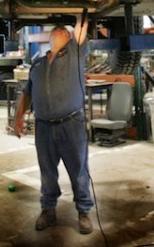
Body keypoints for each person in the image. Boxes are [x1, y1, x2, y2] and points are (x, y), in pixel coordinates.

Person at [13, 13, 94, 235]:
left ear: (68, 37)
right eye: (56, 31)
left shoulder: (75, 55)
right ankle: (48, 210)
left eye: (64, 31)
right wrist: (18, 117)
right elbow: (27, 93)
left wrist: (81, 12)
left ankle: (84, 211)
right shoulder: (37, 64)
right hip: (44, 127)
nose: (60, 32)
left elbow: (81, 29)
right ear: (50, 37)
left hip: (71, 124)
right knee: (47, 172)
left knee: (78, 170)